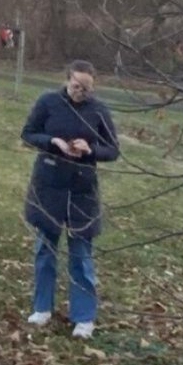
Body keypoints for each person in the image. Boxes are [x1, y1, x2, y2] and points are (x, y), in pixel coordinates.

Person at [21, 60, 121, 338]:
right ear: (67, 80)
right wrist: (52, 142)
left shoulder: (99, 110)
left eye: (86, 88)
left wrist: (90, 150)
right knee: (45, 249)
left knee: (81, 254)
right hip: (49, 185)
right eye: (76, 86)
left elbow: (112, 150)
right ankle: (42, 308)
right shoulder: (48, 102)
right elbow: (28, 133)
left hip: (82, 190)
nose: (80, 92)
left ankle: (84, 317)